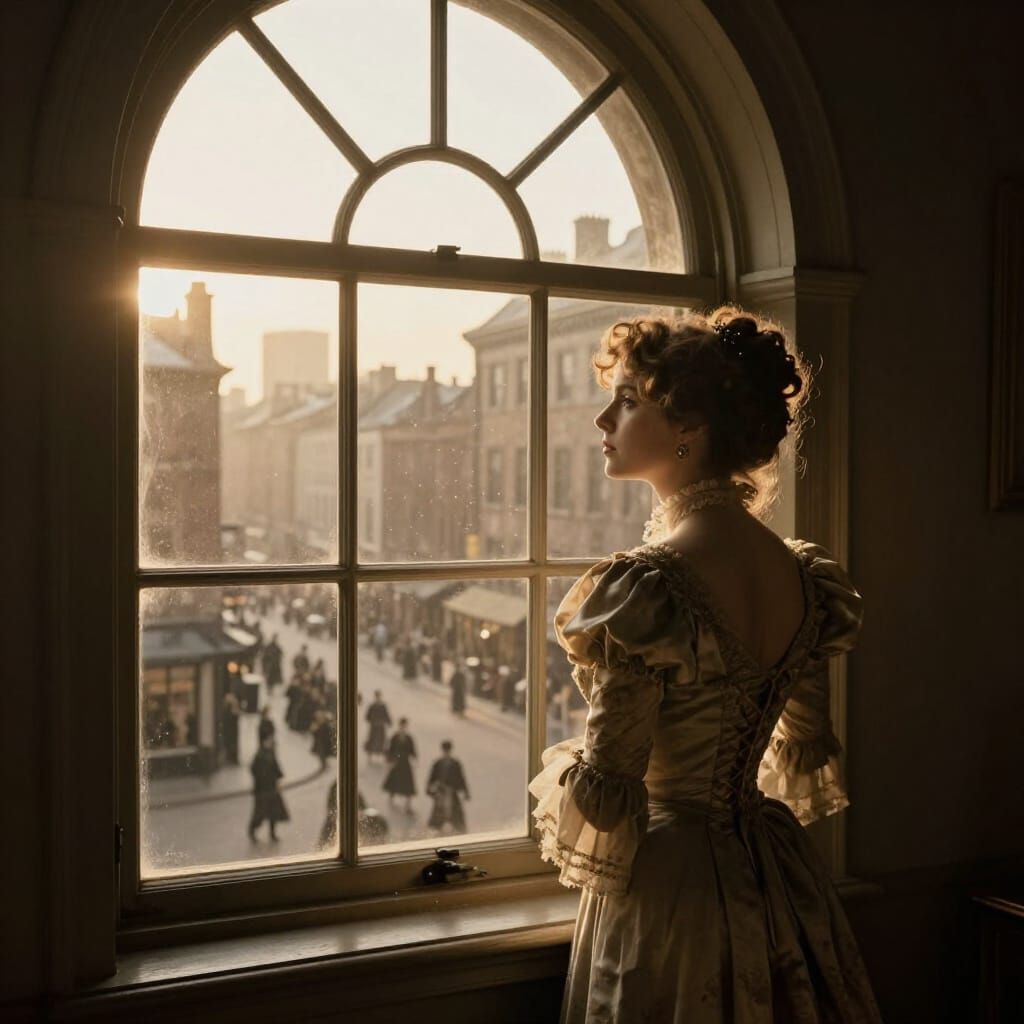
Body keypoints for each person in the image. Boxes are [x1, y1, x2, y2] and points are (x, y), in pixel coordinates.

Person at [528, 309, 881, 1022]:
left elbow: (609, 783)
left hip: (671, 889)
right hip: (769, 869)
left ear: (688, 429)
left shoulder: (649, 586)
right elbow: (805, 736)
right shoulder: (804, 575)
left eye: (627, 401)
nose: (603, 419)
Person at [248, 735, 289, 842]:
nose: (271, 743)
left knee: (273, 813)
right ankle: (252, 831)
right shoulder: (259, 755)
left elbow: (276, 768)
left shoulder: (271, 753)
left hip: (272, 788)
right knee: (259, 813)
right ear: (264, 742)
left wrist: (278, 781)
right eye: (269, 741)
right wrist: (261, 779)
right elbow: (253, 769)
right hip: (262, 789)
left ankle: (272, 834)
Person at [426, 740, 470, 834]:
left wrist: (466, 792)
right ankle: (439, 828)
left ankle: (456, 828)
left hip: (452, 791)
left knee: (454, 812)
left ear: (450, 751)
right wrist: (429, 788)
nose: (446, 753)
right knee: (439, 811)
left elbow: (461, 778)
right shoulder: (437, 763)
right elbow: (432, 777)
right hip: (441, 792)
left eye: (448, 751)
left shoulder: (455, 763)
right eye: (445, 751)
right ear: (443, 751)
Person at [382, 717, 417, 813]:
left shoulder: (409, 738)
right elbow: (390, 749)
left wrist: (414, 758)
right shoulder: (395, 737)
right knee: (393, 780)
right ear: (399, 726)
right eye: (402, 726)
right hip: (396, 762)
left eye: (405, 726)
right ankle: (391, 798)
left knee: (408, 783)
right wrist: (390, 759)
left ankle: (408, 805)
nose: (403, 728)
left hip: (405, 763)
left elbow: (413, 750)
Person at [363, 690, 391, 763]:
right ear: (375, 697)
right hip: (374, 726)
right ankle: (370, 756)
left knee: (382, 740)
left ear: (380, 697)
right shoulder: (372, 706)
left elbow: (386, 714)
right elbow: (367, 716)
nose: (378, 698)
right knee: (372, 740)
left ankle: (381, 756)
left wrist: (389, 721)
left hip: (381, 726)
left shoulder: (383, 706)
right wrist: (371, 720)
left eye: (379, 696)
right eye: (377, 696)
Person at [221, 691, 240, 765]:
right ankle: (232, 758)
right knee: (231, 743)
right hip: (231, 732)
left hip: (230, 731)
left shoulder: (228, 713)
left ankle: (231, 758)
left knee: (230, 743)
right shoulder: (231, 713)